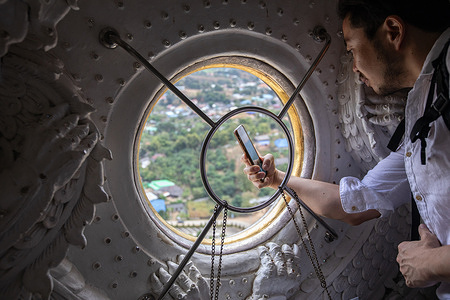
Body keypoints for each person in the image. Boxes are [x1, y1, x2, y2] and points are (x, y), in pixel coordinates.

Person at [242, 0, 450, 298]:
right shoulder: (424, 102)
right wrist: (279, 180)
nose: (354, 67)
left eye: (352, 49)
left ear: (393, 31)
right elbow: (359, 202)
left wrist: (431, 263)